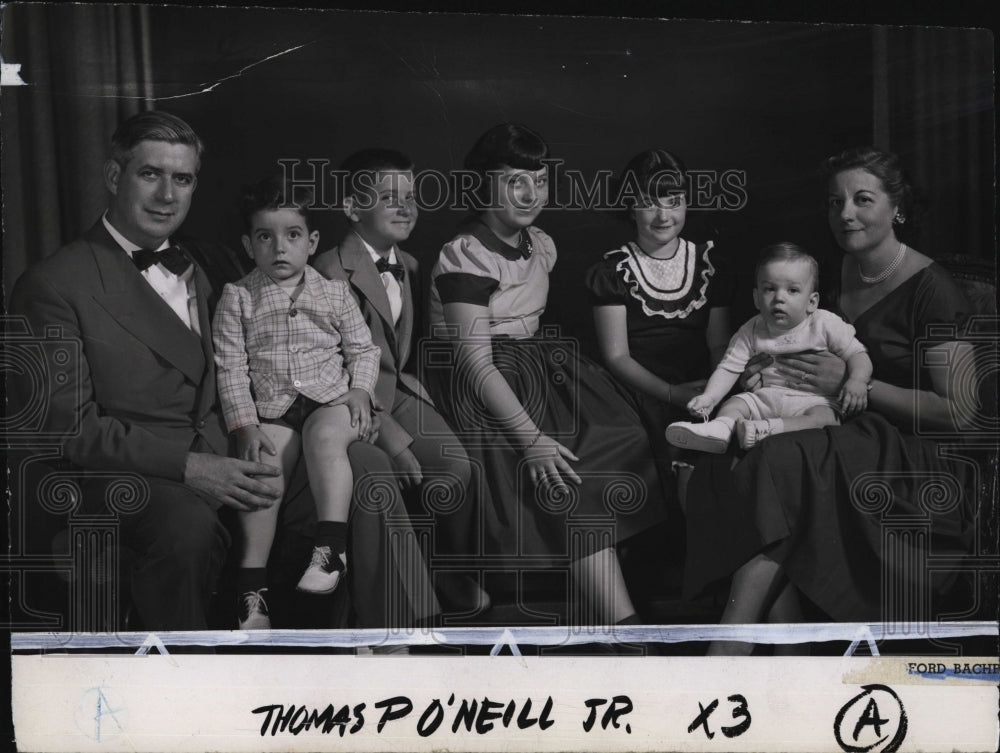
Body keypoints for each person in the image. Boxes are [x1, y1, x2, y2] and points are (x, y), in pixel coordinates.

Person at [683, 147, 978, 654]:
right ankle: (790, 638)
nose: (845, 214)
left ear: (897, 208)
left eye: (862, 200)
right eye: (834, 202)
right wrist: (763, 375)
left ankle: (729, 650)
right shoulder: (829, 275)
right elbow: (795, 350)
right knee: (720, 454)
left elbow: (961, 414)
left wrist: (852, 383)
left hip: (908, 450)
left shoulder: (934, 289)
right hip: (836, 427)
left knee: (777, 458)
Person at [8, 111, 283, 631]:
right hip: (129, 476)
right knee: (184, 526)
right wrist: (193, 468)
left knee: (344, 486)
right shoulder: (52, 283)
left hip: (226, 451)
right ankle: (182, 691)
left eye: (182, 179)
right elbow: (69, 429)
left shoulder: (215, 263)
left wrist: (249, 427)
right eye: (150, 174)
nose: (167, 195)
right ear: (114, 177)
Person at [426, 123, 666, 627]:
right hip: (485, 381)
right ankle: (623, 625)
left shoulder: (541, 243)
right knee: (562, 470)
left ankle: (599, 600)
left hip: (540, 364)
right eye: (515, 180)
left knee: (619, 436)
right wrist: (530, 439)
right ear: (483, 186)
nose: (531, 193)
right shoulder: (464, 254)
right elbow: (475, 361)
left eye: (539, 179)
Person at [312, 149, 482, 611]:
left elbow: (400, 349)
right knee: (397, 470)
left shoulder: (407, 263)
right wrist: (393, 438)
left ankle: (448, 573)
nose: (407, 207)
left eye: (411, 196)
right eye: (390, 198)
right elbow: (339, 371)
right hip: (351, 403)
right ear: (352, 209)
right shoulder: (330, 271)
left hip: (397, 389)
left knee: (456, 466)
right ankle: (415, 599)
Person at [213, 177, 381, 629]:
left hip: (329, 398)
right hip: (273, 407)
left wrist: (361, 389)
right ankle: (253, 590)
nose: (279, 248)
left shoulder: (333, 292)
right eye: (265, 237)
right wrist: (244, 424)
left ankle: (330, 550)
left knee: (326, 435)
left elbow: (363, 350)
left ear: (312, 243)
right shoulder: (238, 297)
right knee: (263, 469)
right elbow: (230, 367)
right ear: (249, 245)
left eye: (292, 236)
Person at [586, 148, 733, 504]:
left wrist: (711, 395)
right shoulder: (612, 271)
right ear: (630, 207)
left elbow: (718, 345)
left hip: (701, 382)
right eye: (649, 203)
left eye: (674, 201)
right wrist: (669, 393)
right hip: (637, 387)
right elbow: (617, 356)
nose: (663, 214)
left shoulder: (708, 263)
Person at [666, 243, 873, 454]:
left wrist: (857, 380)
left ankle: (765, 430)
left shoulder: (824, 323)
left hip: (812, 400)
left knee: (826, 417)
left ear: (812, 302)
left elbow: (857, 354)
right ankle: (720, 429)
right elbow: (728, 367)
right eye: (769, 289)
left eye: (792, 290)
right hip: (764, 398)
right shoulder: (752, 328)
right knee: (736, 403)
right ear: (756, 298)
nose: (779, 298)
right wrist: (710, 397)